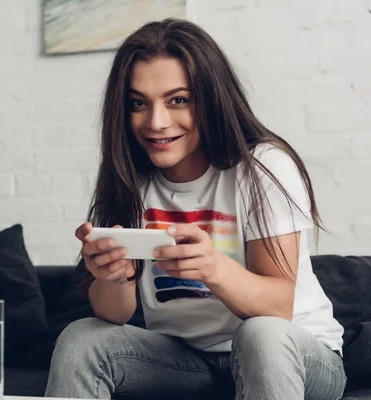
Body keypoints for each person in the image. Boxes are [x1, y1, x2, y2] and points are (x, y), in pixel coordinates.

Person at [44, 18, 346, 400]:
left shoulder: (263, 168)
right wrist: (111, 275)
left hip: (295, 354)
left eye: (178, 100)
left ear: (211, 100)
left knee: (261, 334)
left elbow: (278, 305)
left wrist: (213, 268)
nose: (156, 122)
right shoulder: (131, 181)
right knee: (80, 340)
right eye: (139, 103)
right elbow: (114, 315)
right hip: (188, 360)